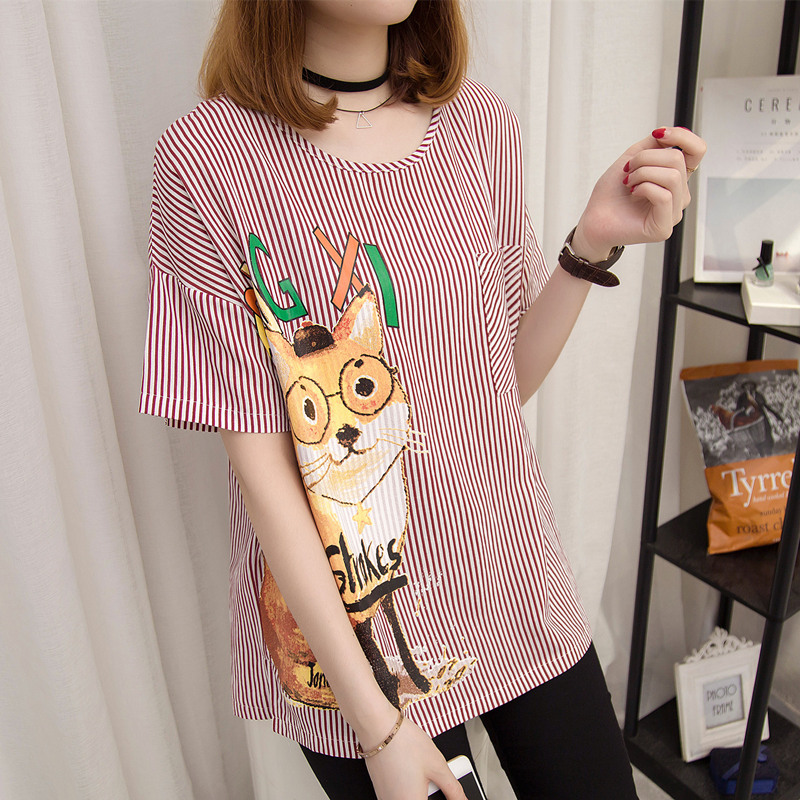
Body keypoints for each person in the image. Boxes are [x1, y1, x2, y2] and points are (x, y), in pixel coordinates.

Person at [138, 1, 705, 798]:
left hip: (507, 575)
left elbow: (494, 389)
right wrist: (377, 723)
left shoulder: (478, 124)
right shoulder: (207, 159)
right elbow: (266, 482)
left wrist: (591, 244)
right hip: (357, 638)